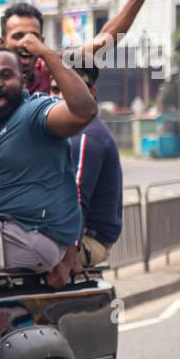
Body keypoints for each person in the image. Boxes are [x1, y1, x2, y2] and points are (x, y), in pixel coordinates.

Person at [0, 40, 97, 288]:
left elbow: (84, 112)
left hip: (31, 236)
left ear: (24, 80)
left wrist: (48, 55)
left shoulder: (35, 112)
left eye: (6, 75)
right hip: (4, 232)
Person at [2, 0, 163, 93]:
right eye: (18, 36)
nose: (26, 43)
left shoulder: (49, 68)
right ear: (2, 43)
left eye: (33, 37)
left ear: (41, 42)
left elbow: (103, 41)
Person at [49, 66, 122, 269]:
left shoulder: (85, 136)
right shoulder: (59, 131)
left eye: (71, 90)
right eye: (55, 89)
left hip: (88, 240)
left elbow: (77, 200)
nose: (62, 97)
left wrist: (67, 261)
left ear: (90, 93)